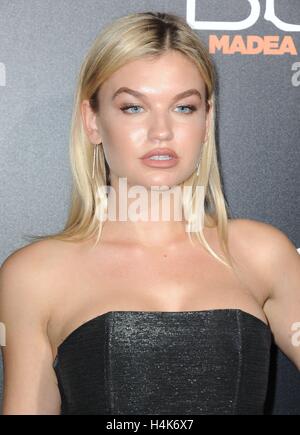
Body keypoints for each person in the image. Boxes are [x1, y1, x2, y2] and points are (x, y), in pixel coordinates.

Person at [0, 11, 299, 415]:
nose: (161, 131)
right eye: (133, 108)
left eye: (184, 108)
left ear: (206, 120)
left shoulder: (262, 254)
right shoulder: (35, 275)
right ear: (92, 121)